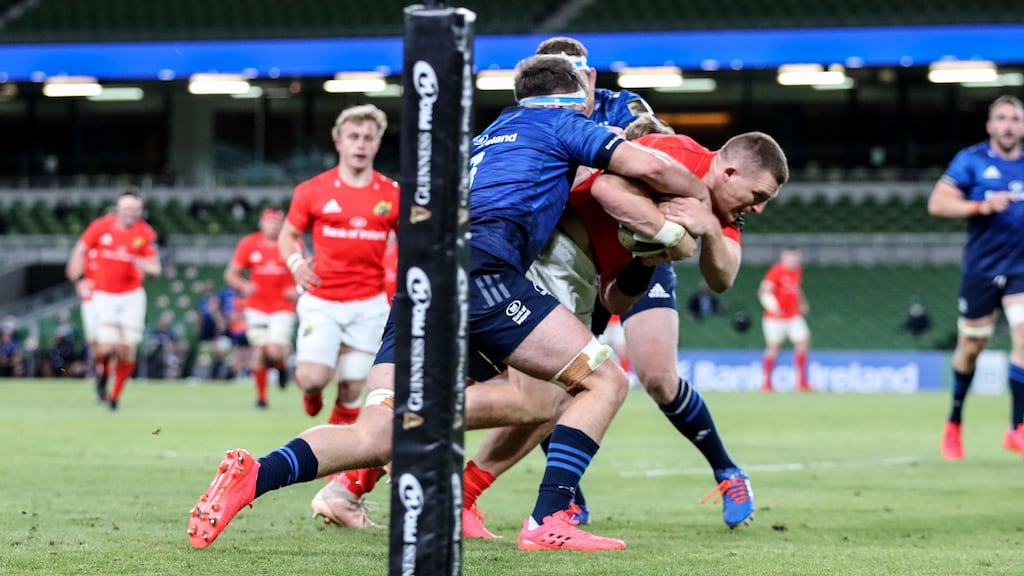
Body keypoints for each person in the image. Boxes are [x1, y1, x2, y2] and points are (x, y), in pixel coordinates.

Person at [188, 53, 715, 552]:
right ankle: (550, 519)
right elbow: (656, 169)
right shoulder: (560, 122)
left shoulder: (487, 136)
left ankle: (256, 474)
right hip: (484, 272)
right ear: (572, 95)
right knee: (604, 380)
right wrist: (703, 203)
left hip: (421, 281)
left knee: (375, 433)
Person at [461, 120, 788, 538]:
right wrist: (670, 232)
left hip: (581, 281)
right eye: (757, 196)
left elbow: (708, 280)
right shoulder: (675, 155)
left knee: (551, 401)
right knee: (569, 392)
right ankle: (414, 431)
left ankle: (469, 491)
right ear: (729, 172)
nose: (758, 208)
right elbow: (604, 190)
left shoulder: (719, 211)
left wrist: (669, 248)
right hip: (550, 257)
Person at [278, 103, 399, 426]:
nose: (360, 144)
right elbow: (288, 235)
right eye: (354, 136)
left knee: (351, 387)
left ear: (377, 143)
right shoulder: (312, 190)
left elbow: (414, 242)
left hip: (369, 304)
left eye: (368, 137)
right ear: (339, 142)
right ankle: (312, 391)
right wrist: (295, 262)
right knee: (314, 377)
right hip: (322, 299)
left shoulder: (393, 193)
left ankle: (331, 454)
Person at [929, 95, 1024, 460]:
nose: (1008, 124)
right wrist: (982, 205)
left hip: (1020, 269)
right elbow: (937, 204)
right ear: (990, 125)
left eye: (1014, 118)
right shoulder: (972, 160)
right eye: (1001, 118)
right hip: (983, 269)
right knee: (971, 349)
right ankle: (954, 421)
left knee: (1022, 333)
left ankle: (1016, 427)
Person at [65, 190, 160, 410]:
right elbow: (79, 251)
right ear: (118, 209)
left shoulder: (145, 233)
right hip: (104, 295)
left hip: (132, 295)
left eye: (134, 209)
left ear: (139, 211)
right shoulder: (100, 227)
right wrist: (78, 278)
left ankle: (115, 397)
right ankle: (104, 374)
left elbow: (155, 268)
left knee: (127, 350)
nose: (130, 212)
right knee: (105, 347)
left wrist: (141, 263)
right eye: (126, 208)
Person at [224, 208, 297, 408]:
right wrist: (243, 286)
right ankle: (262, 399)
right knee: (259, 352)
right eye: (269, 221)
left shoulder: (292, 243)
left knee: (274, 350)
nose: (273, 225)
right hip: (256, 307)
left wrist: (297, 289)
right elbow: (231, 274)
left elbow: (306, 269)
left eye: (277, 222)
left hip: (283, 306)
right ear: (261, 223)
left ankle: (281, 366)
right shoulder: (249, 243)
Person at [758, 247, 812, 393]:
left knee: (803, 342)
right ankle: (766, 384)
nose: (793, 260)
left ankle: (801, 383)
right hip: (775, 318)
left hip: (793, 315)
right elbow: (763, 291)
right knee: (774, 347)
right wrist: (774, 308)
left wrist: (802, 302)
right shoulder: (777, 271)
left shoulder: (797, 271)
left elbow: (795, 288)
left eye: (795, 257)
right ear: (784, 258)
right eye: (790, 257)